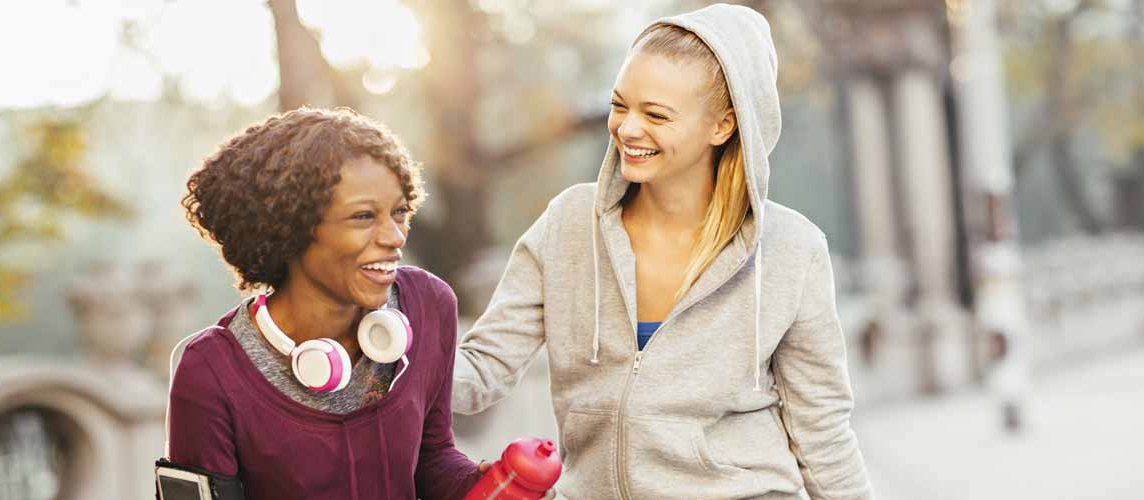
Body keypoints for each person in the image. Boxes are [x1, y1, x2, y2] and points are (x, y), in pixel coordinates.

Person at [453, 4, 874, 499]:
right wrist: (375, 349)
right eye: (619, 105)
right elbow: (481, 370)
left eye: (655, 114)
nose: (628, 129)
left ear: (722, 126)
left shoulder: (792, 251)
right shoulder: (568, 225)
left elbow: (822, 432)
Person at [169, 107, 480, 499]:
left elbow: (433, 458)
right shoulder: (211, 370)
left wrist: (485, 482)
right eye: (363, 216)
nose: (395, 236)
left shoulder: (428, 305)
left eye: (399, 212)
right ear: (291, 227)